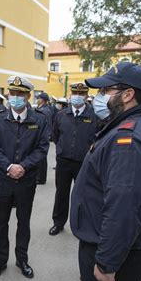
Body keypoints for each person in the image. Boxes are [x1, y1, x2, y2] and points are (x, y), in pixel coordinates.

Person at [70, 62, 141, 281]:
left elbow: (124, 209)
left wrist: (106, 263)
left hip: (115, 254)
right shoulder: (134, 127)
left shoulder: (129, 140)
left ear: (127, 95)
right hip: (120, 248)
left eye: (106, 91)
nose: (99, 97)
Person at [0, 76, 49, 280]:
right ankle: (0, 261)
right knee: (1, 223)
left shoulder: (39, 119)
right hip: (3, 180)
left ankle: (22, 259)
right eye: (12, 93)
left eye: (20, 94)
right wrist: (9, 166)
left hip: (26, 180)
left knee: (24, 222)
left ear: (28, 96)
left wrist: (23, 166)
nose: (15, 97)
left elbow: (42, 148)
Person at [48, 83, 98, 236]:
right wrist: (62, 148)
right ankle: (58, 223)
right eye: (75, 92)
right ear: (71, 94)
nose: (77, 96)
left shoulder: (94, 116)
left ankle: (81, 225)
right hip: (63, 161)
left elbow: (98, 138)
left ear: (86, 96)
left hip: (83, 162)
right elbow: (55, 135)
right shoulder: (61, 115)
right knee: (61, 193)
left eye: (81, 93)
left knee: (82, 195)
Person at [35, 92, 52, 185]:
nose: (37, 100)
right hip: (40, 135)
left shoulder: (45, 110)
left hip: (42, 136)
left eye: (38, 98)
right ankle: (39, 176)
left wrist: (46, 135)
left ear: (43, 100)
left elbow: (47, 124)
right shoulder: (41, 109)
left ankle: (41, 178)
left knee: (42, 158)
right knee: (39, 157)